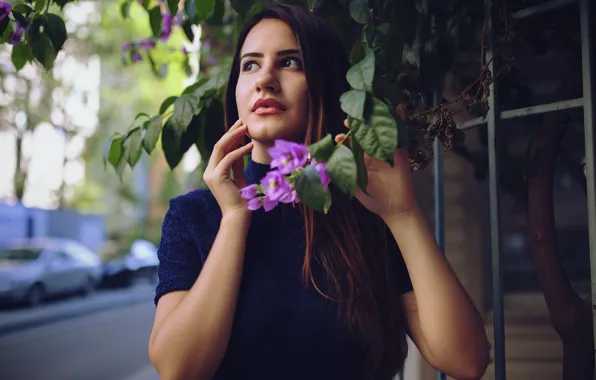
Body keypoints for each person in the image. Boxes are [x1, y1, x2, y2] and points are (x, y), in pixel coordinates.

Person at [148, 4, 490, 380]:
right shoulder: (194, 216)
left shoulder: (366, 212)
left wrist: (403, 214)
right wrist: (235, 217)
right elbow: (178, 369)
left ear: (325, 84)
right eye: (250, 65)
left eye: (290, 62)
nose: (265, 79)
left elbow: (466, 360)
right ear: (236, 91)